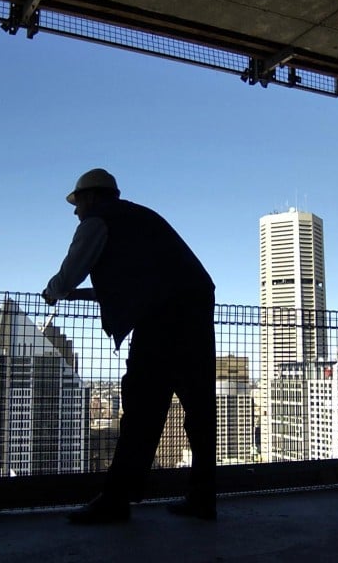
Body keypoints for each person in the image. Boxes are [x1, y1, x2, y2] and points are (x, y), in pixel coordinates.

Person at [42, 168, 217, 525]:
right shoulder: (137, 219)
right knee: (199, 408)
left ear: (91, 197)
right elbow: (129, 284)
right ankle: (203, 497)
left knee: (142, 407)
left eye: (78, 202)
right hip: (194, 307)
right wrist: (78, 295)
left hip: (164, 316)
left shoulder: (98, 221)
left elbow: (71, 271)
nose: (75, 211)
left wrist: (54, 291)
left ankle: (116, 500)